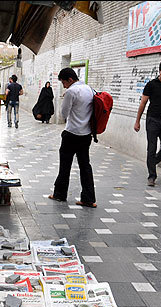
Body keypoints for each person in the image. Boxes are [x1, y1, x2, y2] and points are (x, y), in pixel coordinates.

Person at [48, 67, 97, 208]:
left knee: (65, 165)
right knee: (85, 166)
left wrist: (66, 99)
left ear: (70, 80)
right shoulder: (89, 89)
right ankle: (88, 199)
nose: (64, 86)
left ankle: (60, 194)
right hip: (86, 134)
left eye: (64, 82)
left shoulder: (71, 91)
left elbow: (63, 114)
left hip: (71, 134)